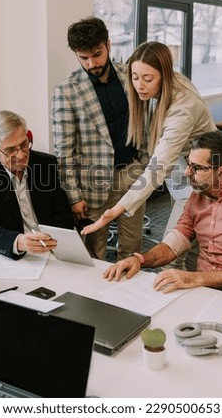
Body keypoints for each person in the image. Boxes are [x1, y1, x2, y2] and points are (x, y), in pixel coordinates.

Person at [83, 40, 216, 269]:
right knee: (191, 244)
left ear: (164, 75)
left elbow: (159, 165)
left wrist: (113, 212)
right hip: (183, 171)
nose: (139, 85)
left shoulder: (183, 108)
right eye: (135, 77)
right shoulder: (163, 88)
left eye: (148, 78)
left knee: (171, 253)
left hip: (204, 176)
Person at [103, 130, 222, 300]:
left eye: (197, 168)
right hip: (206, 288)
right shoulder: (197, 196)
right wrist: (140, 259)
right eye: (188, 163)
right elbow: (173, 245)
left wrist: (195, 278)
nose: (187, 172)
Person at [51, 16, 147, 261]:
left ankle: (128, 298)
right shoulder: (66, 91)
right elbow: (64, 151)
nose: (92, 63)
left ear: (108, 44)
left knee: (133, 247)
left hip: (133, 173)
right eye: (84, 57)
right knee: (95, 255)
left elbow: (145, 121)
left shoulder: (131, 76)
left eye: (97, 53)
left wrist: (145, 164)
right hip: (92, 184)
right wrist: (74, 196)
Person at [0, 110, 74, 259]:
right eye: (10, 150)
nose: (22, 155)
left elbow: (62, 212)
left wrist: (55, 242)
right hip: (15, 253)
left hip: (53, 248)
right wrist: (18, 242)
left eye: (24, 144)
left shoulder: (46, 163)